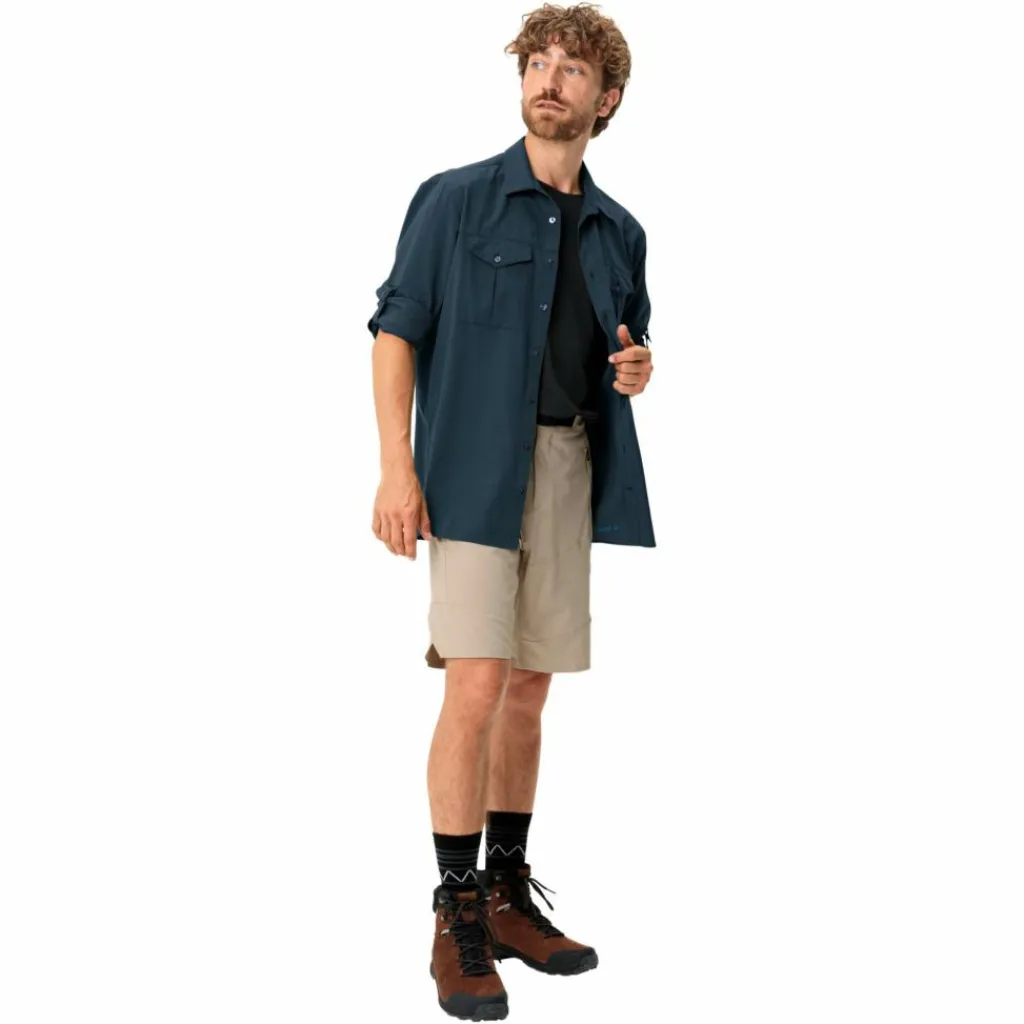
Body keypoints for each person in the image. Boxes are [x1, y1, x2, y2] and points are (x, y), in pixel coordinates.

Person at [367, 4, 655, 1018]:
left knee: (529, 689)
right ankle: (454, 914)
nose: (548, 79)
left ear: (605, 100)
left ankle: (505, 893)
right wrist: (396, 470)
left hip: (570, 464)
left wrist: (637, 368)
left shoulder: (620, 230)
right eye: (537, 62)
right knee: (477, 684)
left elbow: (624, 345)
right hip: (471, 471)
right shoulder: (453, 201)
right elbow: (395, 332)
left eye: (572, 69)